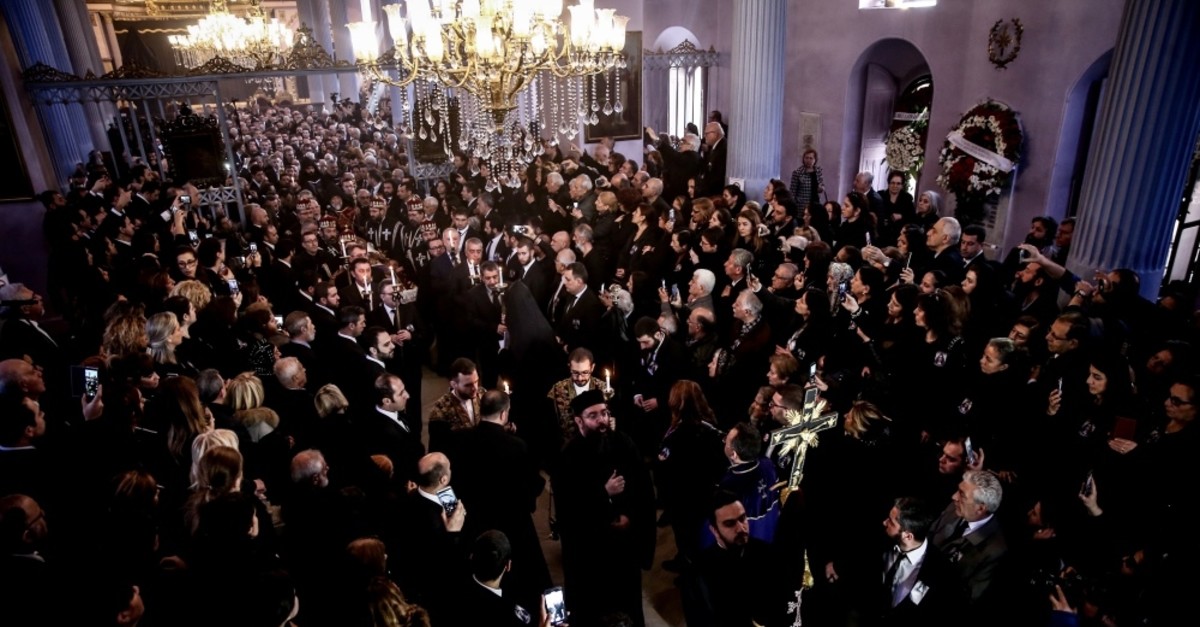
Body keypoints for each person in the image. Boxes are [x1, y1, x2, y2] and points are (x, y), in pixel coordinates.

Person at [551, 389, 655, 626]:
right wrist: (603, 493)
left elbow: (643, 491)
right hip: (591, 554)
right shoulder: (569, 457)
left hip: (624, 550)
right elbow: (568, 509)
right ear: (579, 421)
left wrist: (629, 515)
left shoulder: (624, 443)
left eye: (604, 413)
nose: (602, 420)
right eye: (593, 416)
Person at [679, 490, 776, 627]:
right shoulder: (698, 573)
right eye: (730, 523)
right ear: (714, 530)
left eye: (742, 518)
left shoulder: (766, 552)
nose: (740, 528)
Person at [929, 469, 1008, 606]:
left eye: (962, 495)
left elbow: (967, 597)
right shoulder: (955, 508)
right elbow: (930, 536)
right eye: (958, 490)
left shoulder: (995, 551)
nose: (954, 497)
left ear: (980, 508)